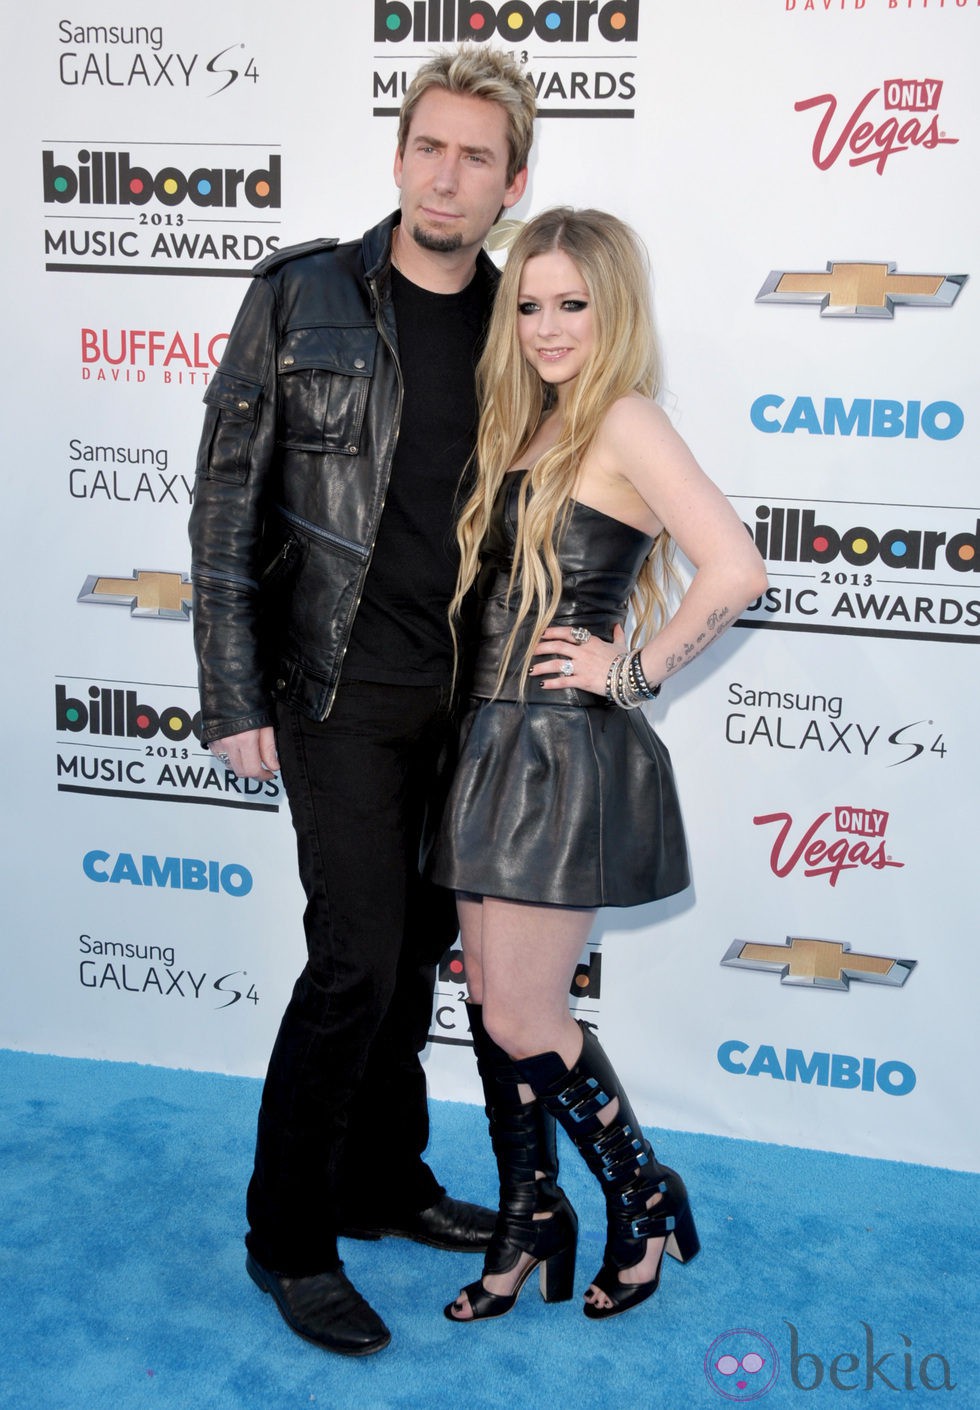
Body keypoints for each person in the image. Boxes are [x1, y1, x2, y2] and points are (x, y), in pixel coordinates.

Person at [188, 47, 536, 1357]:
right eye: (431, 147)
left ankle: (384, 1180)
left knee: (408, 976)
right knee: (354, 964)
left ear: (513, 181)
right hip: (331, 692)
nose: (449, 175)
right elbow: (227, 501)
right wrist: (232, 689)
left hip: (466, 709)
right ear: (401, 155)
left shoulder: (524, 323)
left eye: (478, 157)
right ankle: (288, 1235)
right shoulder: (302, 296)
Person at [432, 208, 768, 1324]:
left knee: (526, 1014)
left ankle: (639, 1195)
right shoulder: (528, 421)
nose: (544, 324)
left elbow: (735, 567)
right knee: (491, 1002)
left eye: (570, 302)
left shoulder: (620, 418)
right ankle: (529, 1219)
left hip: (558, 754)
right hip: (489, 742)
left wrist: (634, 671)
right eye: (527, 304)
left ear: (611, 306)